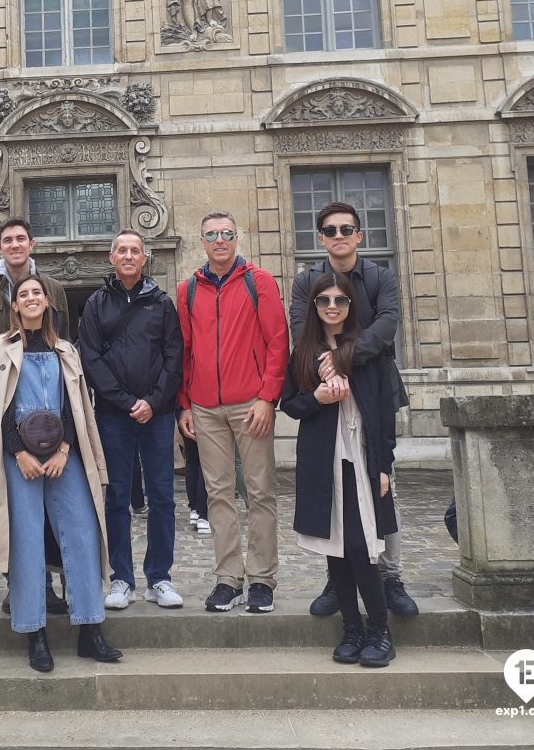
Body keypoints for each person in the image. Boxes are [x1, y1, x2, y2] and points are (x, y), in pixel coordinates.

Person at [0, 275, 121, 673]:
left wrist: (65, 448)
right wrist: (18, 452)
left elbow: (77, 407)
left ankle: (90, 629)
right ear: (15, 306)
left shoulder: (66, 351)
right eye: (24, 295)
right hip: (19, 461)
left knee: (82, 533)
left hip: (63, 458)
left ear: (48, 302)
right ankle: (34, 633)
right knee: (27, 541)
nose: (31, 298)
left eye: (37, 293)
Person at [288, 201, 418, 618]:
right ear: (321, 238)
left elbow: (387, 324)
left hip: (372, 386)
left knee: (382, 483)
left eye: (347, 229)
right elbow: (299, 326)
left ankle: (390, 577)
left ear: (359, 235)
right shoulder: (306, 280)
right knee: (335, 491)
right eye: (330, 230)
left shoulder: (380, 276)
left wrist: (342, 358)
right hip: (326, 386)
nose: (339, 236)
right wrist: (323, 367)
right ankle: (338, 575)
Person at [280, 272, 398, 668]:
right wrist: (316, 397)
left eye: (340, 301)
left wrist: (385, 467)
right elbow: (291, 406)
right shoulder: (302, 354)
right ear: (314, 307)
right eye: (324, 301)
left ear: (351, 306)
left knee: (363, 548)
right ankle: (351, 629)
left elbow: (384, 415)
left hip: (364, 461)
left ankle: (379, 630)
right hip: (324, 461)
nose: (332, 307)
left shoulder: (369, 352)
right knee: (336, 548)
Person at [177, 211, 290, 614]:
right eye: (212, 235)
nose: (219, 240)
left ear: (236, 238)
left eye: (226, 233)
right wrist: (184, 404)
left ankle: (261, 579)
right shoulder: (187, 289)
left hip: (250, 404)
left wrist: (267, 398)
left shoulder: (259, 282)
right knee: (218, 494)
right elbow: (185, 352)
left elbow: (278, 342)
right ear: (202, 241)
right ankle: (228, 578)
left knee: (260, 493)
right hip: (205, 407)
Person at [0, 216, 71, 615]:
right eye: (7, 240)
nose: (15, 245)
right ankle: (21, 587)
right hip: (4, 417)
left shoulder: (54, 289)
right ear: (0, 247)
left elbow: (62, 347)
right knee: (10, 506)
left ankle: (48, 586)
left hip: (48, 416)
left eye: (21, 238)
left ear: (32, 243)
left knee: (47, 508)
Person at [78, 228, 185, 610]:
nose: (127, 256)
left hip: (157, 416)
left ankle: (160, 576)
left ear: (144, 258)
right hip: (113, 415)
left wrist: (153, 402)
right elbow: (90, 359)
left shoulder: (162, 303)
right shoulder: (95, 304)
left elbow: (175, 358)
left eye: (134, 250)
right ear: (112, 258)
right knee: (117, 496)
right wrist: (125, 402)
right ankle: (121, 577)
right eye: (121, 250)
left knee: (161, 497)